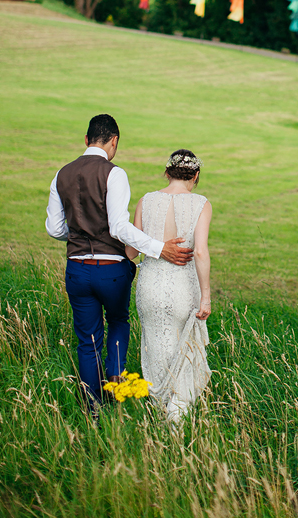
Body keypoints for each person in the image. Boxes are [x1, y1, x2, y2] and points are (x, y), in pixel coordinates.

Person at [46, 114, 193, 410]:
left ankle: (93, 408)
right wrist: (159, 248)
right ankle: (115, 384)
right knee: (118, 321)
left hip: (76, 269)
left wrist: (79, 234)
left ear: (86, 139)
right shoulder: (114, 174)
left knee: (87, 341)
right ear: (113, 141)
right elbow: (118, 227)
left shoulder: (61, 174)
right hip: (111, 269)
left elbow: (54, 228)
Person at [126, 149, 212, 422]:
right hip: (183, 287)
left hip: (150, 286)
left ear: (167, 172)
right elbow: (200, 252)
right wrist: (206, 296)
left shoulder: (146, 201)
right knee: (184, 351)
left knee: (156, 350)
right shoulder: (201, 204)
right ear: (195, 176)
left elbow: (130, 252)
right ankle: (177, 417)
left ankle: (160, 411)